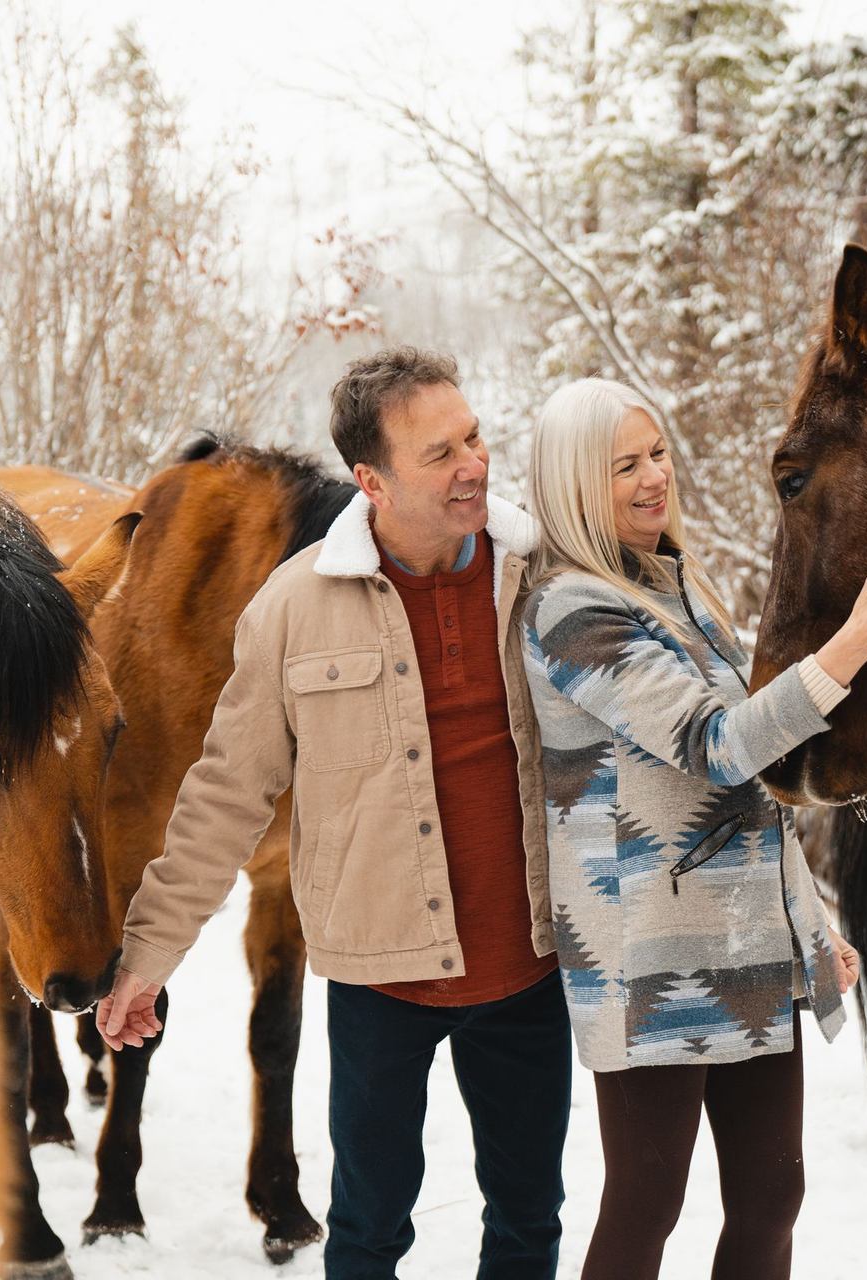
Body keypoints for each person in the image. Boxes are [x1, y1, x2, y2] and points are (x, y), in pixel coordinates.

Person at [96, 348, 571, 1280]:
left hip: (526, 973)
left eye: (473, 437)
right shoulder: (293, 607)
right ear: (373, 481)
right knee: (367, 1233)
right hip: (376, 983)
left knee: (527, 1223)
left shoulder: (543, 579)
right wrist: (146, 959)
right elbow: (224, 797)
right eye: (439, 454)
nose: (473, 464)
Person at [520, 378, 867, 1279]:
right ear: (575, 485)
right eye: (624, 467)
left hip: (746, 943)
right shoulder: (571, 611)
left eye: (656, 454)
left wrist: (811, 925)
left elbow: (759, 794)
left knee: (773, 1198)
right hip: (646, 953)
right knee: (647, 1201)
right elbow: (718, 745)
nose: (655, 477)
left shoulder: (686, 594)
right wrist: (859, 637)